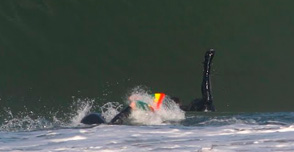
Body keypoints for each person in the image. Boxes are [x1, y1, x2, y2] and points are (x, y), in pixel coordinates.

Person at [80, 49, 216, 125]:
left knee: (131, 108)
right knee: (207, 97)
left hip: (197, 111)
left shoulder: (175, 109)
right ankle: (207, 64)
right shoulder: (184, 111)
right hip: (204, 112)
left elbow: (151, 104)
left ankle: (207, 64)